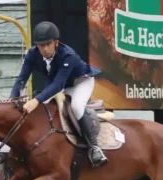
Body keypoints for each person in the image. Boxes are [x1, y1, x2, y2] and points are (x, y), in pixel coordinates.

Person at [9, 21, 108, 168]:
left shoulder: (68, 55)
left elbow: (58, 85)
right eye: (41, 45)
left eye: (48, 44)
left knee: (76, 107)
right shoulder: (32, 54)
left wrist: (36, 100)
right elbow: (22, 79)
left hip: (81, 82)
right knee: (43, 109)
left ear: (56, 42)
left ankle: (94, 147)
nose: (44, 49)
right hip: (61, 84)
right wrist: (12, 99)